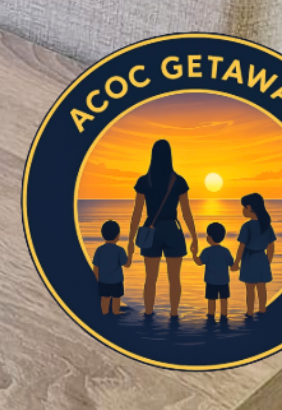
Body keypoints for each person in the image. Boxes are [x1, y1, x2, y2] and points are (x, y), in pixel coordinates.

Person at [125, 137, 198, 319]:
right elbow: (186, 213)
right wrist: (194, 238)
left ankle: (149, 313)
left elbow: (137, 213)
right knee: (174, 278)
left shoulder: (145, 181)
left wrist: (131, 240)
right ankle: (174, 315)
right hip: (172, 230)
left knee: (150, 278)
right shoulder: (178, 181)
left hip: (151, 230)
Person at [236, 192, 276, 315]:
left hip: (249, 258)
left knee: (250, 288)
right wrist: (268, 261)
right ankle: (262, 309)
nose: (243, 210)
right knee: (261, 286)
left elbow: (241, 246)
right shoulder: (266, 226)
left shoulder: (247, 226)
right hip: (262, 258)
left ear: (250, 208)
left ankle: (250, 312)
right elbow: (271, 246)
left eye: (245, 207)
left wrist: (236, 262)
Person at [196, 221, 233, 322]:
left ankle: (211, 315)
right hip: (224, 281)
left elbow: (199, 262)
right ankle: (224, 316)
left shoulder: (207, 251)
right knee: (224, 299)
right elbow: (231, 263)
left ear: (210, 237)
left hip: (211, 281)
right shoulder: (225, 251)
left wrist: (194, 254)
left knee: (211, 300)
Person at [91, 218, 128, 316]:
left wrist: (97, 280)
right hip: (117, 281)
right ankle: (116, 311)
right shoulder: (120, 250)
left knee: (104, 298)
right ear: (118, 236)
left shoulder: (99, 250)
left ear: (103, 235)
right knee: (116, 298)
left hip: (103, 281)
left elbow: (96, 267)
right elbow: (126, 264)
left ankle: (104, 312)